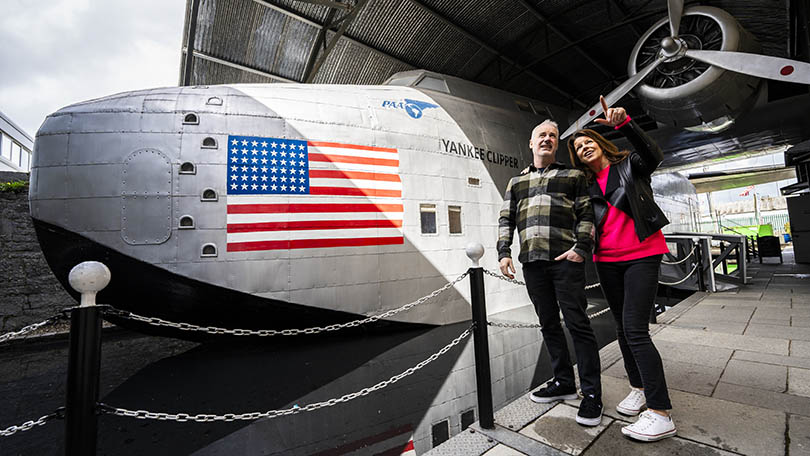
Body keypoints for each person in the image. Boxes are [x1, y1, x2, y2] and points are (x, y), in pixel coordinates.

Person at [567, 96, 676, 441]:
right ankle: (639, 388)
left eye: (587, 142)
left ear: (600, 143)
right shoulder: (584, 185)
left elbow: (655, 155)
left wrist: (626, 124)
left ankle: (660, 412)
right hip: (607, 261)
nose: (583, 147)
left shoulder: (629, 164)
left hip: (642, 254)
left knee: (636, 329)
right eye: (578, 147)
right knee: (620, 328)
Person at [497, 119, 603, 427]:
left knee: (578, 324)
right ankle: (564, 382)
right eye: (541, 135)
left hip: (565, 261)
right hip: (533, 262)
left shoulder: (573, 176)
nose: (547, 139)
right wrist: (503, 252)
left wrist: (580, 249)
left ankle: (592, 394)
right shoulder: (516, 182)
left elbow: (586, 214)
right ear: (531, 143)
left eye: (553, 136)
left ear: (556, 144)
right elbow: (506, 219)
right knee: (548, 324)